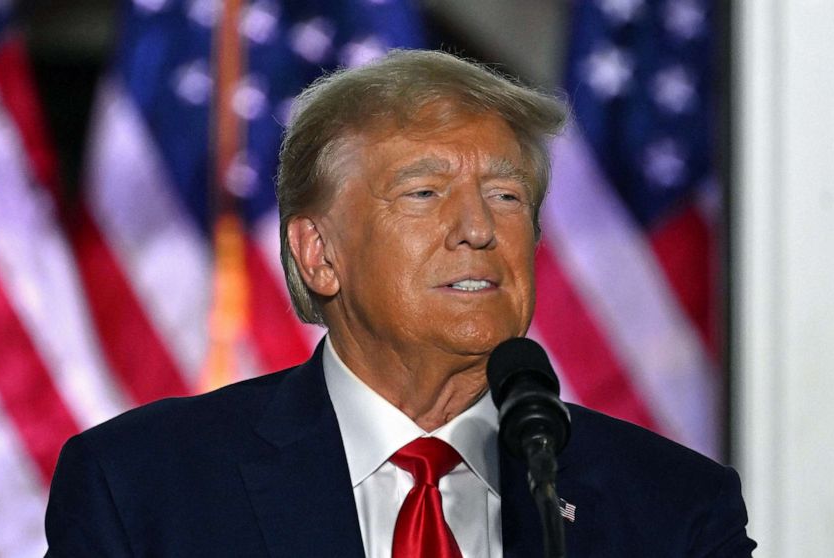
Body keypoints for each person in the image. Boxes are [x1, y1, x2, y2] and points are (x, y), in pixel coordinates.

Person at [45, 49, 756, 557]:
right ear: (320, 253)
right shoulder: (143, 490)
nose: (480, 228)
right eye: (424, 193)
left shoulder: (674, 509)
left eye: (507, 197)